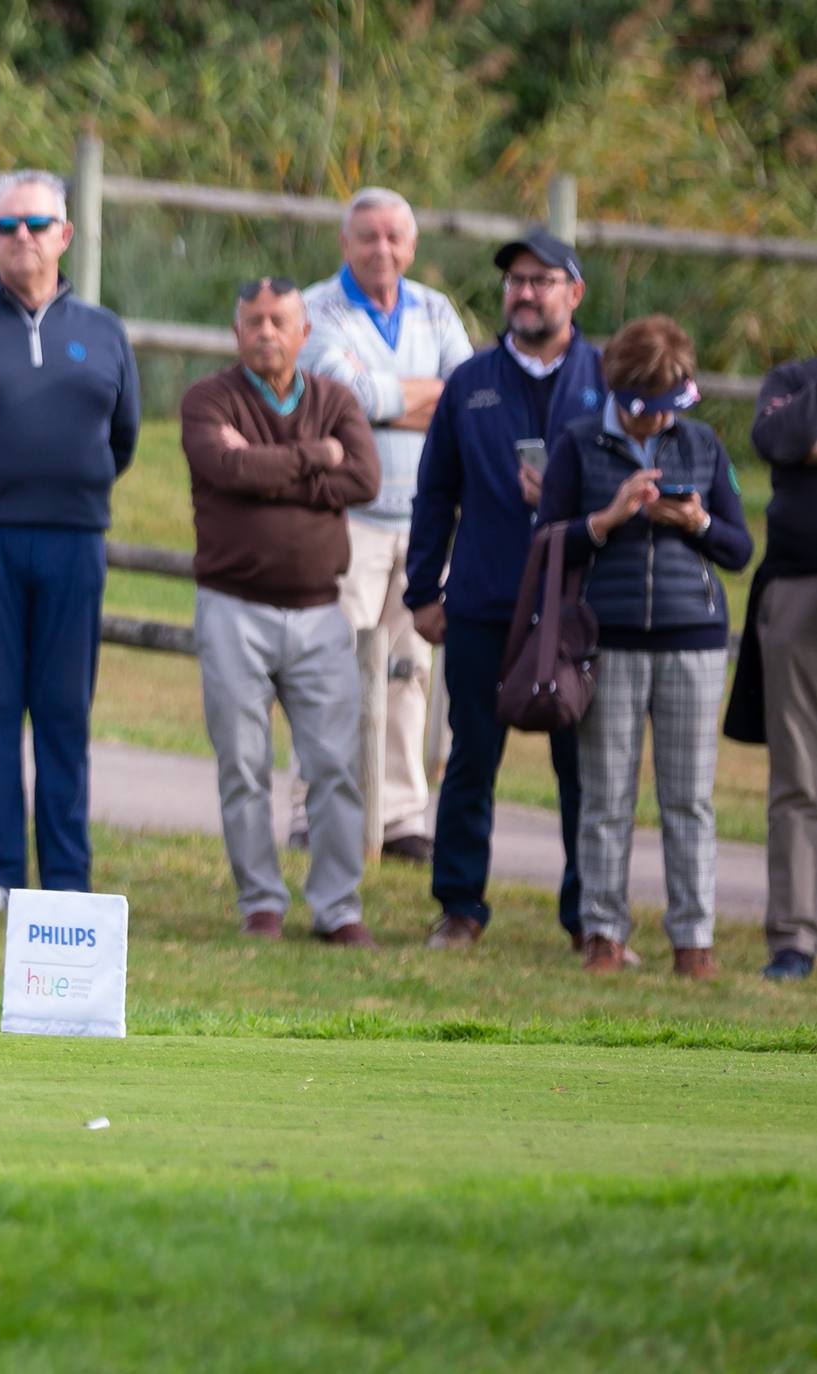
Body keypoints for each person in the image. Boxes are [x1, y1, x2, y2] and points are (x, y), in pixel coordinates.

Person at [0, 170, 139, 914]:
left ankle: (66, 882)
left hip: (73, 542)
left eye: (36, 225)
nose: (22, 239)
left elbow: (122, 437)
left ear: (64, 235)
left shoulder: (102, 333)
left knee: (64, 711)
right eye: (7, 226)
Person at [536, 316, 753, 977]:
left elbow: (738, 550)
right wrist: (607, 520)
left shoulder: (703, 444)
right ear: (618, 394)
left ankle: (693, 941)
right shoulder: (576, 445)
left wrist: (698, 522)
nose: (655, 426)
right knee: (605, 795)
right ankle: (601, 933)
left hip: (694, 642)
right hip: (608, 639)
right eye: (643, 413)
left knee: (688, 798)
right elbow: (546, 542)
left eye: (666, 411)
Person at [403, 229, 598, 951]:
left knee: (584, 768)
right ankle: (458, 907)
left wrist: (567, 494)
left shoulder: (604, 380)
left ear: (573, 294)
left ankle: (590, 919)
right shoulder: (471, 381)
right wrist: (422, 589)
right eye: (515, 280)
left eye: (541, 280)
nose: (524, 292)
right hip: (485, 599)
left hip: (577, 609)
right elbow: (434, 493)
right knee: (469, 760)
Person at [182, 278, 382, 944]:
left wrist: (267, 465)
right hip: (230, 608)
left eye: (279, 321)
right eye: (253, 321)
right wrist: (313, 460)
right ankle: (259, 902)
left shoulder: (335, 397)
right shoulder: (208, 398)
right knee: (242, 763)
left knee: (332, 767)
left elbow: (363, 478)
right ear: (236, 332)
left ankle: (337, 908)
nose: (266, 331)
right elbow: (223, 472)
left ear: (304, 333)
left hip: (320, 611)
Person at [298, 188, 474, 864]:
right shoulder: (315, 310)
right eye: (367, 237)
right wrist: (407, 395)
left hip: (425, 521)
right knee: (332, 666)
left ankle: (400, 814)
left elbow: (465, 393)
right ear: (344, 243)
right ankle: (316, 810)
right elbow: (344, 400)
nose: (382, 249)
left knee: (411, 671)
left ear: (411, 244)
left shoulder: (433, 307)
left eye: (394, 237)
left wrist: (384, 397)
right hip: (347, 518)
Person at [749, 357, 817, 980]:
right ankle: (794, 937)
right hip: (796, 588)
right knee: (797, 776)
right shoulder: (791, 383)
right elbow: (784, 440)